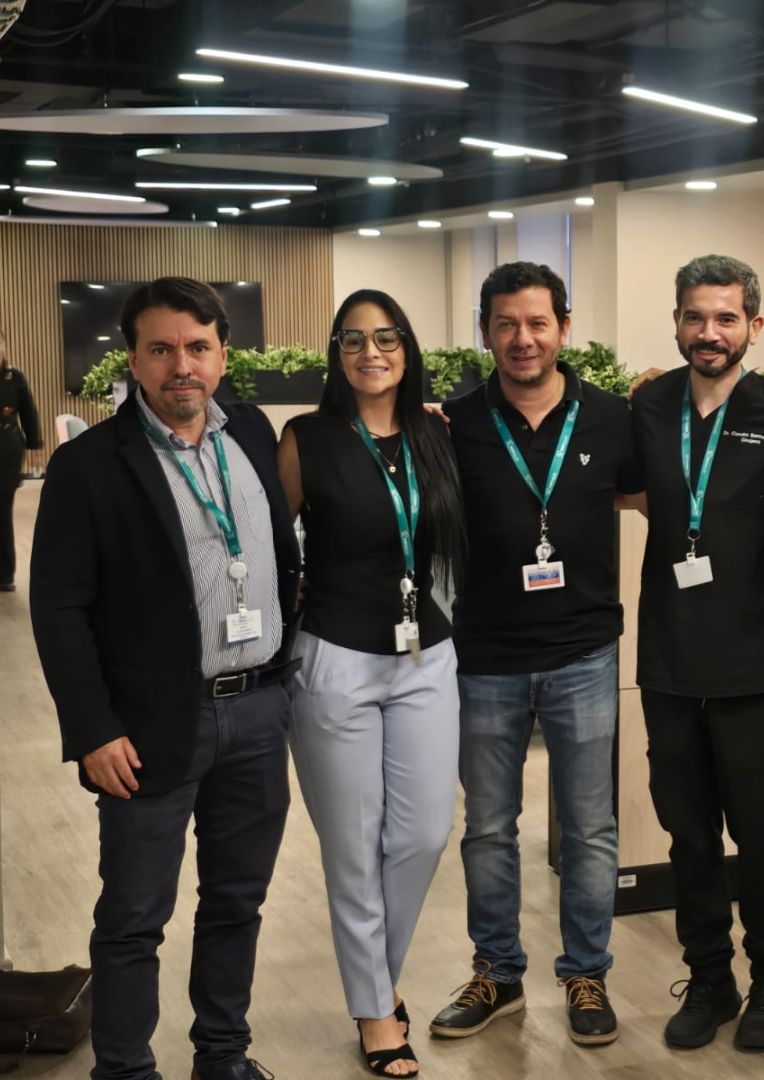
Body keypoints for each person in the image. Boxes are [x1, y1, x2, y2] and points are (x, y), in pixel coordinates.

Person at [29, 277, 300, 1080]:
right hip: (148, 728)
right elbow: (59, 608)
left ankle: (222, 1055)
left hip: (258, 714)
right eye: (161, 349)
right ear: (134, 358)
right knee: (134, 918)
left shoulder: (252, 433)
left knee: (237, 903)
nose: (182, 365)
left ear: (223, 353)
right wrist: (92, 729)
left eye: (197, 347)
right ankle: (124, 1069)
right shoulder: (89, 465)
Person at [429, 261, 641, 1047]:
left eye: (538, 323)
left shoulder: (612, 418)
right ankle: (498, 972)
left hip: (584, 652)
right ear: (486, 332)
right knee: (489, 828)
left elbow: (644, 495)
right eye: (507, 324)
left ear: (564, 327)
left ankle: (586, 973)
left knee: (590, 830)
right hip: (485, 655)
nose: (523, 339)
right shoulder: (453, 424)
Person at [276, 289, 465, 1078]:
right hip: (335, 660)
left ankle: (374, 984)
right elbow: (274, 543)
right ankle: (376, 1013)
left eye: (385, 338)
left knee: (423, 833)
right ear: (336, 354)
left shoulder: (436, 433)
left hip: (427, 656)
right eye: (352, 340)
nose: (370, 352)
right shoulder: (306, 438)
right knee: (354, 848)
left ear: (407, 347)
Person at [629, 254, 764, 1052]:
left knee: (762, 835)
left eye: (726, 318)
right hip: (668, 663)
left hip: (755, 666)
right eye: (695, 317)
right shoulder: (648, 404)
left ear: (753, 327)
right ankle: (708, 980)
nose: (709, 332)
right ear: (676, 322)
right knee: (688, 836)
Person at [0, 329, 42, 590]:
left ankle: (5, 575)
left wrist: (35, 446)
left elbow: (29, 413)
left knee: (2, 514)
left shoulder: (15, 378)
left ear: (4, 347)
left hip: (6, 452)